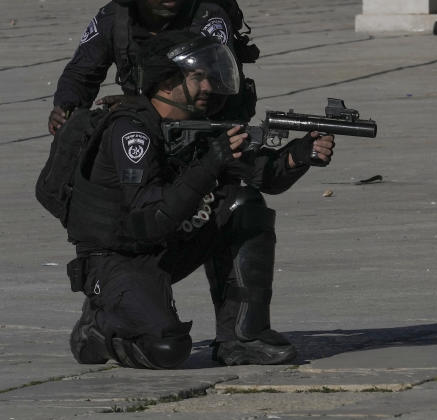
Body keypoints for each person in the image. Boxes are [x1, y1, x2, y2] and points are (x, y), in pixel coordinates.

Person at [65, 30, 335, 368]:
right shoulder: (130, 133)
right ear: (165, 82)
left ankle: (243, 337)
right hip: (118, 256)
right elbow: (149, 218)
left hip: (168, 244)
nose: (208, 86)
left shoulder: (195, 126)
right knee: (166, 350)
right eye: (197, 77)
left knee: (243, 204)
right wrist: (210, 164)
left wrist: (299, 156)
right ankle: (99, 329)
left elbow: (261, 176)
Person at [49, 0, 259, 135]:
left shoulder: (207, 16)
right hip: (142, 124)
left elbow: (219, 86)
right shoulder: (114, 19)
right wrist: (65, 107)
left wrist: (143, 105)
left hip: (207, 128)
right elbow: (81, 73)